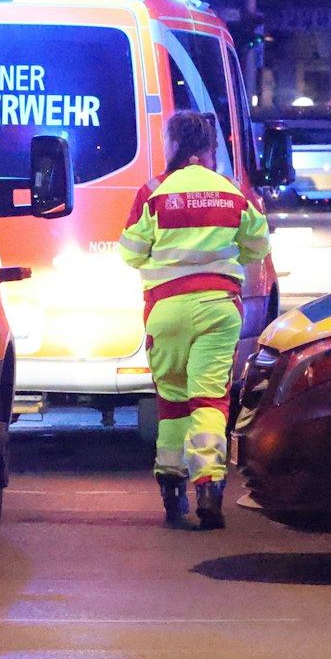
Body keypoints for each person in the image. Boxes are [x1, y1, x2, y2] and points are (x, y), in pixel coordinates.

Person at [118, 110, 270, 529]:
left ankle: (170, 485)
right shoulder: (232, 191)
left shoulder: (153, 192)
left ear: (173, 144)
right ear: (209, 148)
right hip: (218, 309)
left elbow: (130, 251)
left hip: (165, 311)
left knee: (172, 404)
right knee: (209, 400)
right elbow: (257, 246)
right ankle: (209, 486)